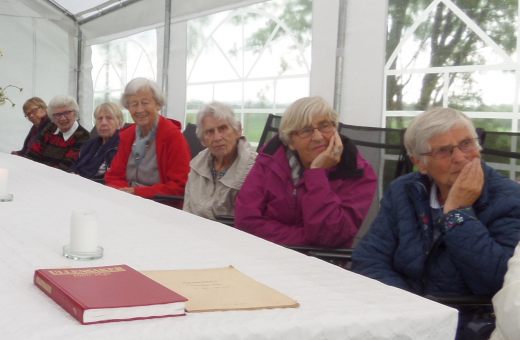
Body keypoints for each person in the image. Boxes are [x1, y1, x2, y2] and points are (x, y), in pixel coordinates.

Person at [353, 107, 520, 295]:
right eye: (443, 150)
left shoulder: (510, 198)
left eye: (466, 143)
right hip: (401, 310)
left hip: (468, 319)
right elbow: (368, 259)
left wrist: (458, 213)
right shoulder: (403, 190)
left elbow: (502, 283)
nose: (460, 157)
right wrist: (409, 305)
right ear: (420, 163)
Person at [235, 96, 376, 247]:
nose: (318, 136)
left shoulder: (356, 170)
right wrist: (307, 240)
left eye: (324, 126)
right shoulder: (270, 159)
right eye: (306, 130)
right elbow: (245, 221)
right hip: (264, 254)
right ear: (290, 142)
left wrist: (317, 174)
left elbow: (331, 235)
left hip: (320, 263)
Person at [105, 78, 191, 204]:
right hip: (126, 201)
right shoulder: (128, 134)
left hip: (160, 206)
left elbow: (181, 186)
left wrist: (137, 192)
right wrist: (124, 192)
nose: (139, 109)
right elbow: (114, 175)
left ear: (158, 104)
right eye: (134, 104)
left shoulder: (173, 137)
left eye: (145, 103)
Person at [183, 101, 257, 220]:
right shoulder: (197, 165)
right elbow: (187, 208)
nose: (217, 137)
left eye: (223, 128)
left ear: (237, 130)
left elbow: (248, 222)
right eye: (210, 132)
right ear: (203, 140)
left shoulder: (254, 169)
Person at [24, 95, 90, 171]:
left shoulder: (83, 136)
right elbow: (33, 154)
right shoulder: (50, 128)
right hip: (38, 174)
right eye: (57, 114)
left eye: (67, 113)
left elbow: (66, 166)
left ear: (75, 114)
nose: (62, 118)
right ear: (53, 117)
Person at [70, 102, 122, 181]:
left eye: (109, 118)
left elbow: (117, 179)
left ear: (120, 124)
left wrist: (83, 181)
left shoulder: (123, 146)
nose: (103, 123)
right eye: (100, 118)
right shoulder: (89, 144)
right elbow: (74, 166)